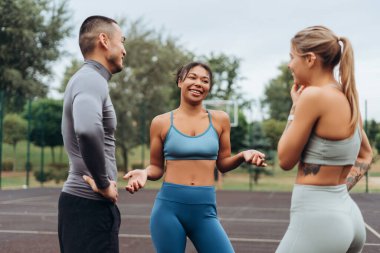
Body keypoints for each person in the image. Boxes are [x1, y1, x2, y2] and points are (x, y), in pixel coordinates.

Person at [123, 62, 266, 253]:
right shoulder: (161, 122)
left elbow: (223, 164)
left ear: (209, 88)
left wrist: (242, 156)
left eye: (204, 80)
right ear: (180, 81)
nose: (198, 83)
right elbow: (156, 168)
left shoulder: (220, 119)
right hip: (168, 210)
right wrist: (144, 173)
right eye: (192, 77)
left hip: (205, 211)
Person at [276, 26, 372, 253]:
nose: (289, 64)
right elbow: (366, 154)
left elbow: (284, 159)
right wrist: (336, 192)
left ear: (310, 59)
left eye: (292, 57)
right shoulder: (346, 95)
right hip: (347, 214)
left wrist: (295, 107)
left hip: (318, 220)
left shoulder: (313, 96)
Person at [58, 15, 126, 253]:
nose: (124, 50)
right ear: (104, 40)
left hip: (83, 207)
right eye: (122, 41)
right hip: (88, 206)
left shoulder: (88, 79)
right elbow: (87, 130)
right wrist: (103, 182)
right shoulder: (90, 79)